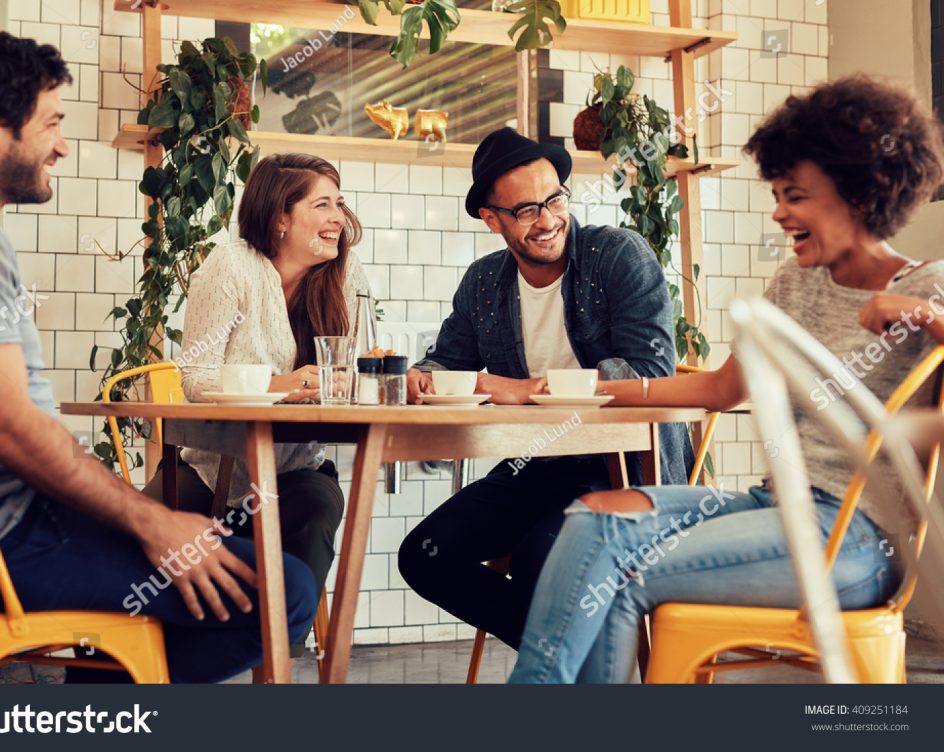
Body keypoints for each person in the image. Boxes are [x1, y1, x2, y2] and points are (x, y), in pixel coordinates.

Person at [508, 75, 944, 683]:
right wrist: (567, 388)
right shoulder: (794, 285)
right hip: (773, 506)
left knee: (613, 564)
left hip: (857, 541)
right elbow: (717, 389)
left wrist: (926, 315)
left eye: (796, 196)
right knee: (593, 519)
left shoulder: (928, 285)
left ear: (856, 194)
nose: (779, 212)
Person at [0, 30, 315, 683]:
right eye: (50, 123)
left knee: (220, 572)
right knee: (286, 589)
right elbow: (6, 425)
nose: (62, 145)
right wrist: (152, 520)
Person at [397, 127, 694, 650]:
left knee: (543, 559)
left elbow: (652, 373)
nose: (549, 220)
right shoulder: (484, 282)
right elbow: (447, 360)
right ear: (493, 219)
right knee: (424, 553)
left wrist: (527, 390)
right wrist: (422, 375)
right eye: (527, 210)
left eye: (555, 198)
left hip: (622, 468)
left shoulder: (618, 256)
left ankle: (569, 671)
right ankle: (567, 658)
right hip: (532, 466)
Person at [143, 153, 371, 630]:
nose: (338, 219)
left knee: (314, 518)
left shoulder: (346, 277)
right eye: (323, 204)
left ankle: (276, 655)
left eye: (340, 204)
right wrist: (283, 387)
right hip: (211, 469)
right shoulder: (231, 266)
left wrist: (351, 382)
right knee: (130, 540)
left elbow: (357, 373)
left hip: (296, 469)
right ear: (281, 217)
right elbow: (197, 377)